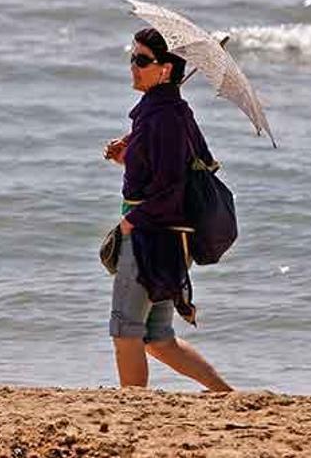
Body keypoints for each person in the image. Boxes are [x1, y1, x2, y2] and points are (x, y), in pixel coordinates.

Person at [103, 28, 233, 392]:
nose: (133, 66)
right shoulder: (169, 113)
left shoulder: (163, 118)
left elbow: (170, 189)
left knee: (125, 328)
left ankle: (132, 405)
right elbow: (172, 170)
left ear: (165, 70)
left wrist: (131, 221)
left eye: (142, 60)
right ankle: (226, 396)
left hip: (152, 236)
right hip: (170, 238)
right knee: (157, 337)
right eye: (132, 57)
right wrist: (129, 157)